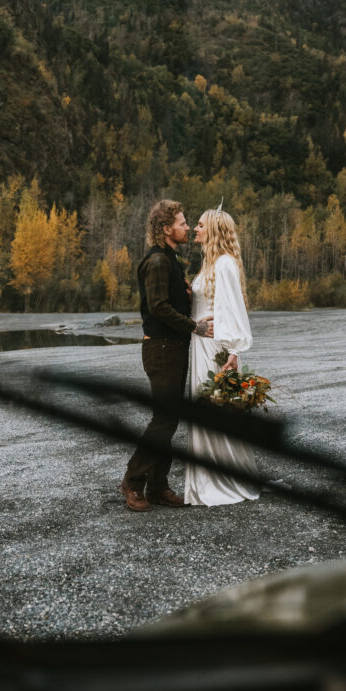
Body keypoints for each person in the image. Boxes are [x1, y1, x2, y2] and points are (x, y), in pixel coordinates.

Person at [120, 199, 214, 512]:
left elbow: (167, 300)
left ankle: (158, 487)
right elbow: (158, 307)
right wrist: (194, 327)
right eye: (182, 223)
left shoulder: (169, 259)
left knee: (169, 419)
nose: (187, 227)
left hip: (171, 347)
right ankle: (133, 482)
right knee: (163, 420)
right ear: (166, 229)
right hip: (161, 348)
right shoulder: (158, 261)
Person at [184, 206, 261, 506]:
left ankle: (224, 479)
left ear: (213, 230)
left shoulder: (225, 264)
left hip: (214, 348)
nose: (195, 229)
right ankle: (207, 479)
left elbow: (234, 310)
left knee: (214, 410)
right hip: (199, 343)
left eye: (201, 225)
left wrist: (233, 352)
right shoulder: (209, 264)